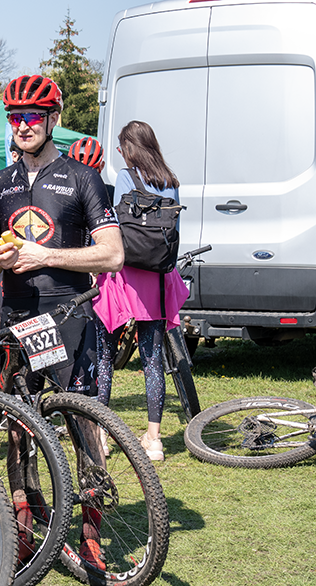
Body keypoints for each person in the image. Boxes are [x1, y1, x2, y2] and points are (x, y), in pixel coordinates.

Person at [0, 74, 123, 571]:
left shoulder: (83, 179)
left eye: (31, 117)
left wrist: (46, 254)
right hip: (17, 317)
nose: (22, 125)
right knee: (18, 425)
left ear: (53, 120)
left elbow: (113, 254)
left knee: (83, 425)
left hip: (70, 315)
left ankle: (90, 533)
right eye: (14, 117)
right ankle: (23, 528)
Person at [92, 120, 189, 462]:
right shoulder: (171, 181)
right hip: (159, 279)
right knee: (152, 360)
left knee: (104, 355)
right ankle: (155, 439)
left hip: (125, 276)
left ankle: (101, 436)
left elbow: (115, 227)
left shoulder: (124, 178)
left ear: (129, 148)